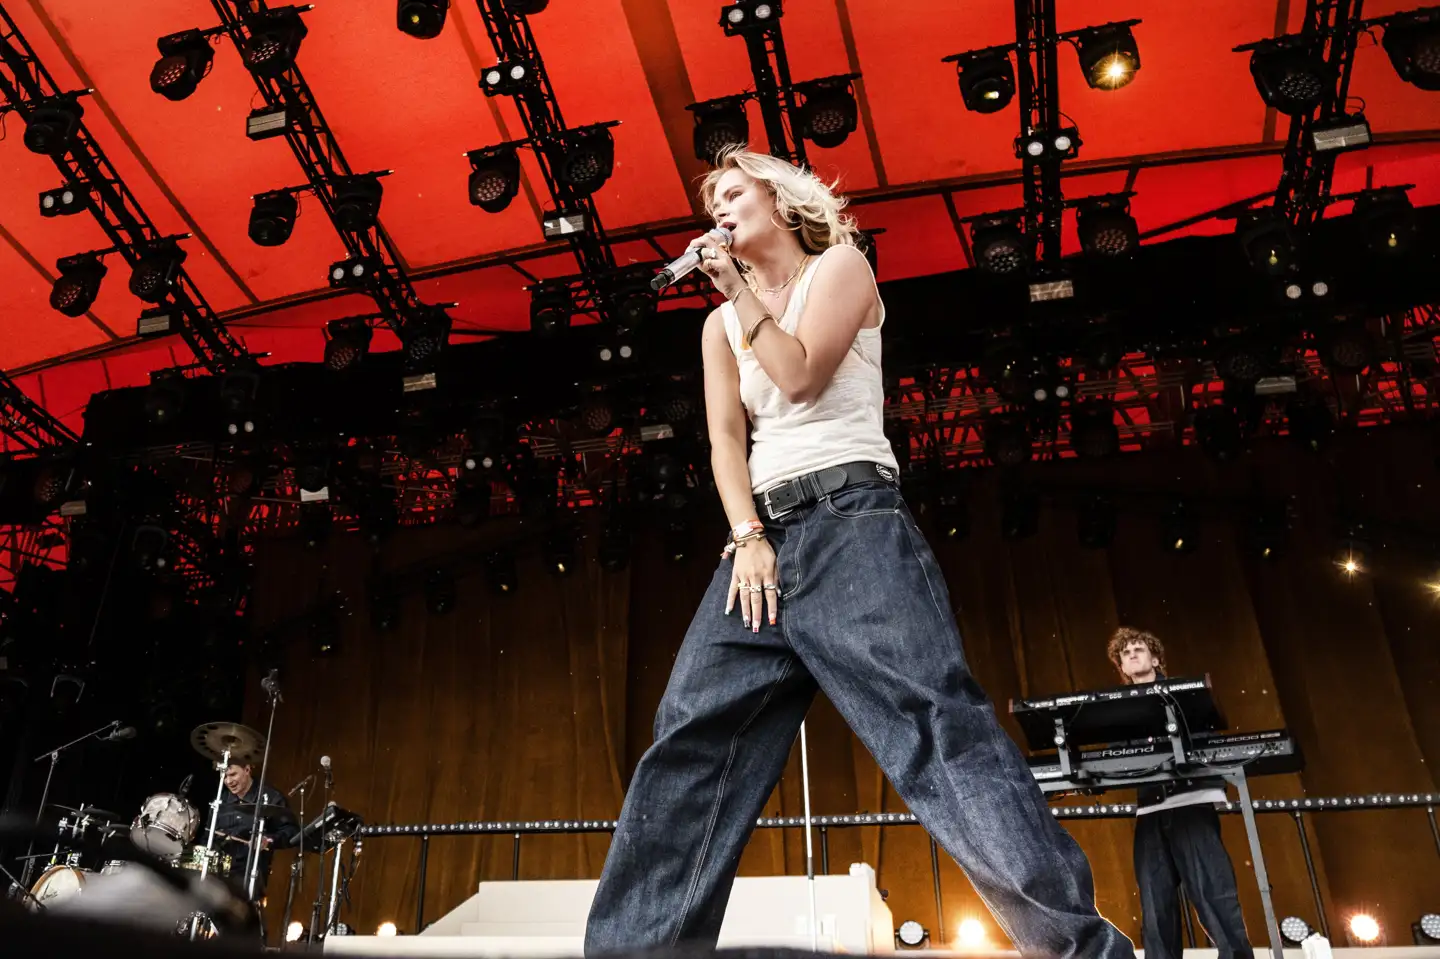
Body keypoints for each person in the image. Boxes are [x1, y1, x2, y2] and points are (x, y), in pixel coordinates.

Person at [584, 145, 1133, 959]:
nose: (721, 212)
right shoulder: (713, 326)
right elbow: (726, 444)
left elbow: (800, 377)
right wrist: (747, 538)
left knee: (936, 729)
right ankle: (637, 951)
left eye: (735, 193)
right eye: (713, 205)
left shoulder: (840, 268)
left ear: (781, 199)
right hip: (758, 548)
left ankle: (1081, 949)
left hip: (852, 523)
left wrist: (737, 292)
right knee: (690, 738)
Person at [1107, 627, 1253, 959]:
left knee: (1212, 894)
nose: (1131, 654)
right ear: (1122, 667)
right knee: (1155, 908)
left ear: (1155, 658)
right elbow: (1116, 758)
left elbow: (1207, 731)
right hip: (1149, 812)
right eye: (1125, 653)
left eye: (1138, 648)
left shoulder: (1185, 695)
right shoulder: (1117, 712)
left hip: (1191, 803)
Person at [213, 762, 298, 901]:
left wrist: (267, 840)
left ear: (247, 769)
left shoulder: (270, 798)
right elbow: (208, 835)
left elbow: (291, 831)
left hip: (250, 873)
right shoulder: (220, 801)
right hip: (218, 874)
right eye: (224, 776)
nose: (228, 781)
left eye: (233, 774)